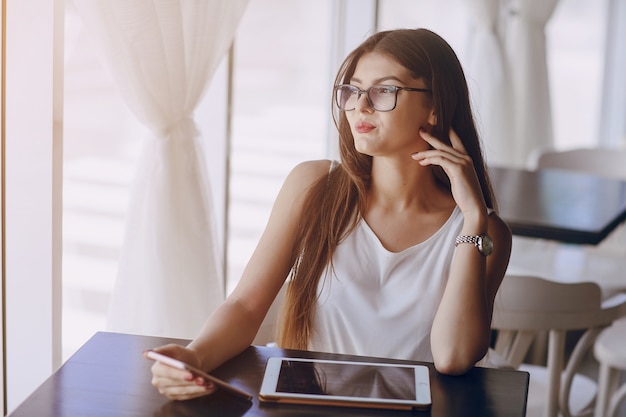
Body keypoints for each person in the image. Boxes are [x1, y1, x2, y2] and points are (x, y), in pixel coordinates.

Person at [148, 28, 512, 400]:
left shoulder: (483, 232)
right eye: (352, 90)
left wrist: (471, 218)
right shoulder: (314, 185)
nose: (361, 106)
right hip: (307, 406)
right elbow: (245, 305)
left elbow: (453, 357)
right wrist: (194, 356)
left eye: (384, 90)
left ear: (434, 106)